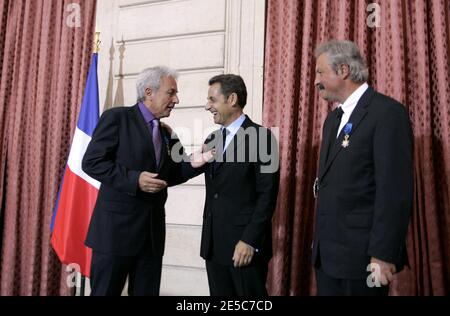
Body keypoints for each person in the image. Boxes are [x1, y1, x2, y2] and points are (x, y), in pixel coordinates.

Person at [82, 66, 207, 296]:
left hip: (150, 239)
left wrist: (198, 162)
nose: (176, 100)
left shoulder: (167, 133)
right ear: (149, 92)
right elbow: (91, 162)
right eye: (171, 93)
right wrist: (134, 179)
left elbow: (174, 173)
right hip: (114, 236)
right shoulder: (117, 118)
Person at [311, 40, 413, 296]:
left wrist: (383, 254)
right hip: (328, 258)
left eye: (320, 73)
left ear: (343, 70)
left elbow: (394, 192)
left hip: (364, 261)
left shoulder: (387, 113)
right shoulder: (332, 120)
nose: (315, 81)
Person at [186, 74, 280, 296]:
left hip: (243, 247)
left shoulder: (262, 138)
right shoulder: (212, 139)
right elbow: (187, 167)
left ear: (232, 99)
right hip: (214, 246)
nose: (207, 106)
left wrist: (249, 240)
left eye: (212, 99)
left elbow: (268, 196)